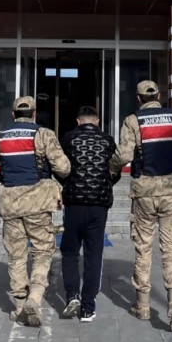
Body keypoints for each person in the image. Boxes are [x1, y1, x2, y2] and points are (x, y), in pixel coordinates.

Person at [109, 80, 172, 333]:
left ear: (138, 98)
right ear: (159, 96)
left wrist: (110, 168)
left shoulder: (133, 121)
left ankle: (142, 306)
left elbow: (124, 155)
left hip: (144, 193)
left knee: (143, 248)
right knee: (171, 248)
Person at [0, 96, 71, 327]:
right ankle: (35, 297)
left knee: (16, 255)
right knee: (43, 250)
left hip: (10, 204)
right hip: (38, 202)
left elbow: (2, 162)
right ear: (34, 114)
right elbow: (63, 168)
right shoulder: (43, 135)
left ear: (13, 114)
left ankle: (18, 306)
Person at [58, 106, 120, 323]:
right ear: (98, 121)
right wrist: (105, 184)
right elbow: (115, 170)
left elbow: (60, 167)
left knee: (69, 251)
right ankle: (87, 307)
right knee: (94, 255)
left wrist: (68, 184)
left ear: (78, 121)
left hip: (74, 203)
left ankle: (72, 296)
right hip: (98, 205)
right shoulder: (108, 140)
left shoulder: (68, 139)